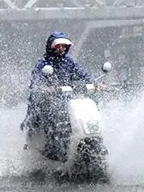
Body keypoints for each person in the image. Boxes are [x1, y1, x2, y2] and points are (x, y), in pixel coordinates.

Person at [21, 31, 94, 160]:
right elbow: (36, 81)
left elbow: (83, 75)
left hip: (67, 100)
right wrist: (45, 88)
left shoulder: (69, 62)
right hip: (47, 102)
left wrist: (95, 84)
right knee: (54, 114)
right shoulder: (43, 63)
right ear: (51, 47)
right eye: (58, 46)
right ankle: (53, 147)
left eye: (64, 46)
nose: (61, 49)